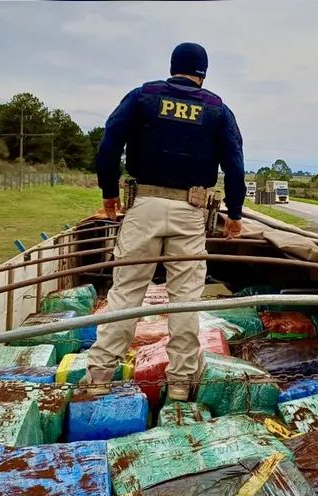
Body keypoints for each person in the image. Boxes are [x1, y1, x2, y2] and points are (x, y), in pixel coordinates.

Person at [82, 42, 245, 400]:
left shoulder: (143, 96)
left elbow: (108, 146)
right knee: (185, 301)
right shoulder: (217, 109)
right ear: (203, 73)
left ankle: (98, 379)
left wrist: (109, 193)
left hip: (143, 207)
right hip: (191, 212)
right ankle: (180, 387)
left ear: (172, 66)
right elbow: (234, 165)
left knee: (125, 295)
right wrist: (234, 214)